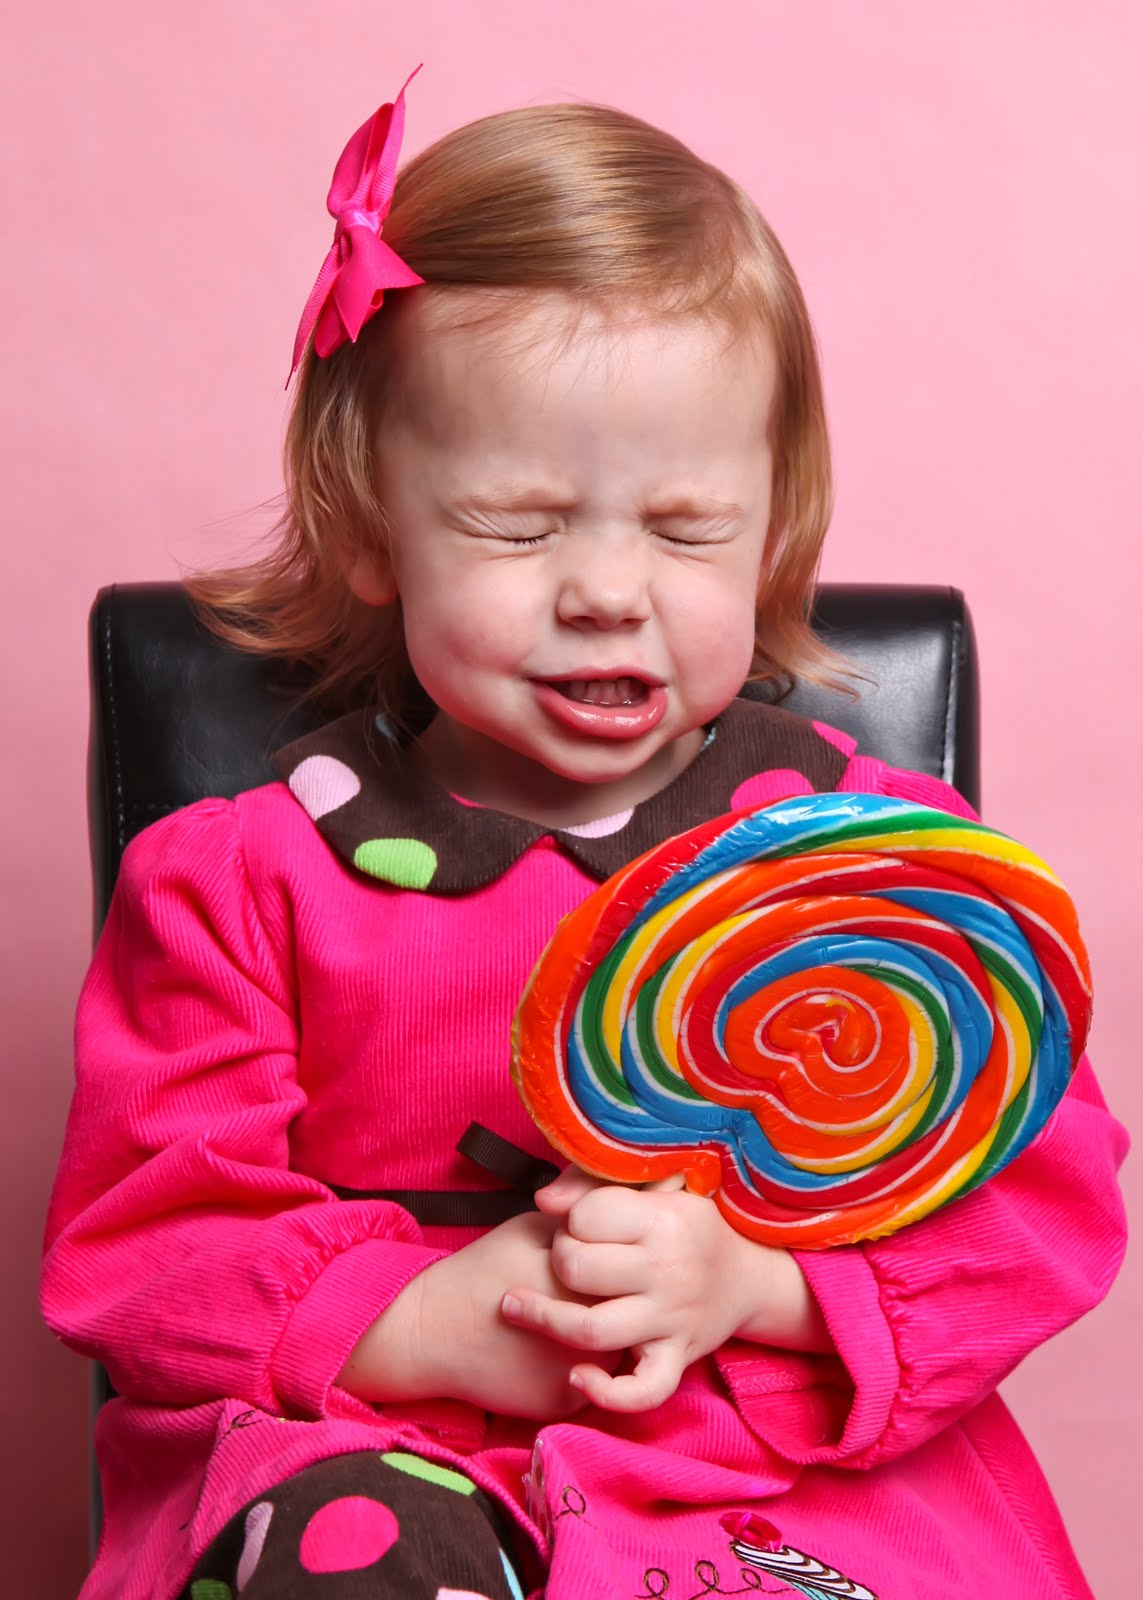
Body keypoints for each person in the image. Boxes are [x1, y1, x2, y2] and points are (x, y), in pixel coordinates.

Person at [42, 74, 1126, 1600]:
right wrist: (424, 1323)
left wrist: (765, 1287)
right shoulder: (239, 884)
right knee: (347, 1556)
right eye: (521, 524)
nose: (608, 591)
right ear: (371, 528)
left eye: (686, 530)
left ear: (774, 530)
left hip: (767, 1461)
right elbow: (150, 1240)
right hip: (377, 1439)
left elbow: (1039, 1198)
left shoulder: (880, 872)